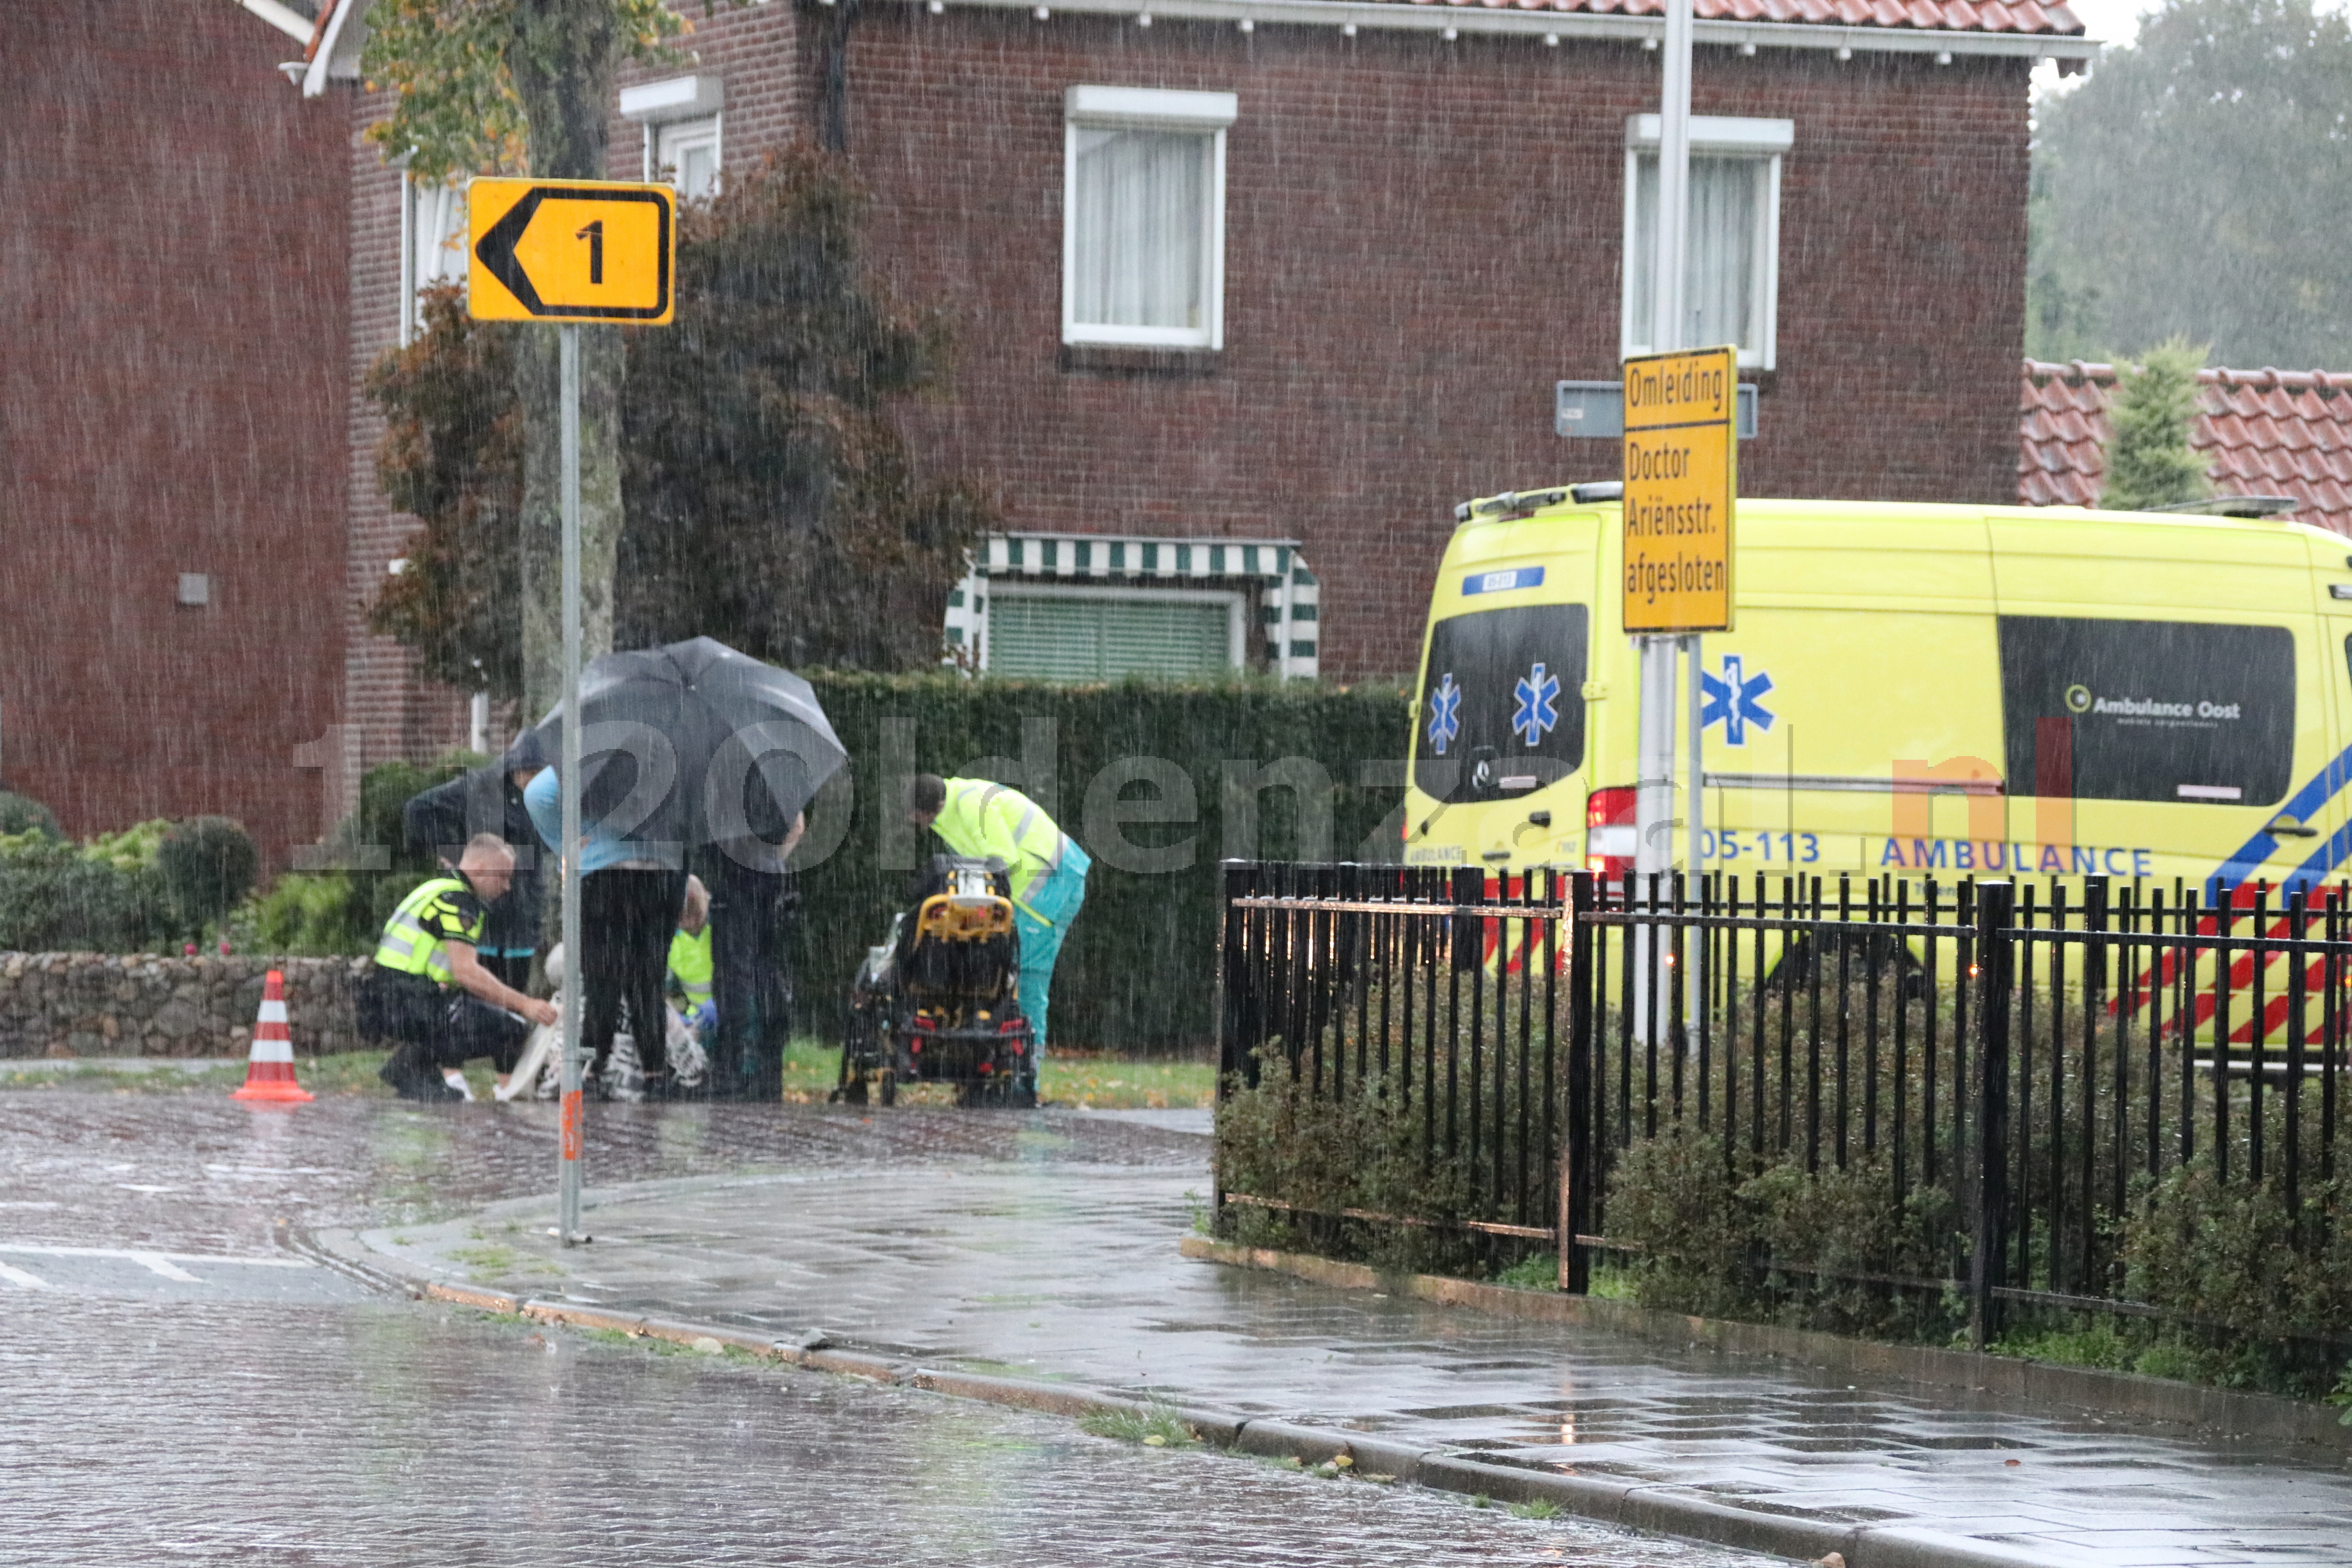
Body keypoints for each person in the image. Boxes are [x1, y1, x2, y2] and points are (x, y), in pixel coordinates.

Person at [524, 763, 688, 1097]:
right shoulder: (675, 750)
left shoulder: (595, 746)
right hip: (662, 871)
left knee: (602, 980)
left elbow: (539, 794)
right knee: (648, 980)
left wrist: (567, 843)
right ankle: (657, 1075)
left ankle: (590, 1072)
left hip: (603, 870)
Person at [360, 835, 559, 1102]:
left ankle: (413, 1068)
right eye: (502, 876)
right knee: (511, 1028)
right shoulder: (459, 902)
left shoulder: (436, 888)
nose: (507, 886)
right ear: (478, 870)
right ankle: (509, 1093)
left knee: (459, 1019)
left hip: (389, 999)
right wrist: (525, 1004)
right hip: (411, 1002)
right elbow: (466, 973)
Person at [904, 773, 1090, 1055]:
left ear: (931, 808)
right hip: (1044, 887)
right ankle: (1003, 1068)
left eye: (918, 818)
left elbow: (1003, 864)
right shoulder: (951, 810)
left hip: (1050, 889)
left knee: (1025, 981)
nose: (917, 825)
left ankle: (1023, 1083)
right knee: (1002, 977)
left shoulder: (972, 807)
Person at [401, 734, 548, 993]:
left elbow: (541, 844)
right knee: (477, 1003)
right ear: (518, 768)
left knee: (512, 1007)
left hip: (521, 925)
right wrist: (465, 857)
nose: (537, 780)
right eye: (533, 773)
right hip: (479, 922)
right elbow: (418, 811)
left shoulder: (541, 799)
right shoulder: (479, 788)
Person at [701, 810, 804, 1101]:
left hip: (735, 882)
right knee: (769, 971)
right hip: (772, 880)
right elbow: (798, 826)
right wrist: (773, 860)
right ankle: (769, 1069)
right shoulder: (776, 773)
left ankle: (735, 1066)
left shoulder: (719, 779)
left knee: (733, 975)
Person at [666, 875, 717, 1039]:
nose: (690, 921)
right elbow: (663, 991)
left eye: (694, 910)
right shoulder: (669, 937)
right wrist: (677, 1021)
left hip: (731, 1009)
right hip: (694, 1018)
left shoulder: (723, 924)